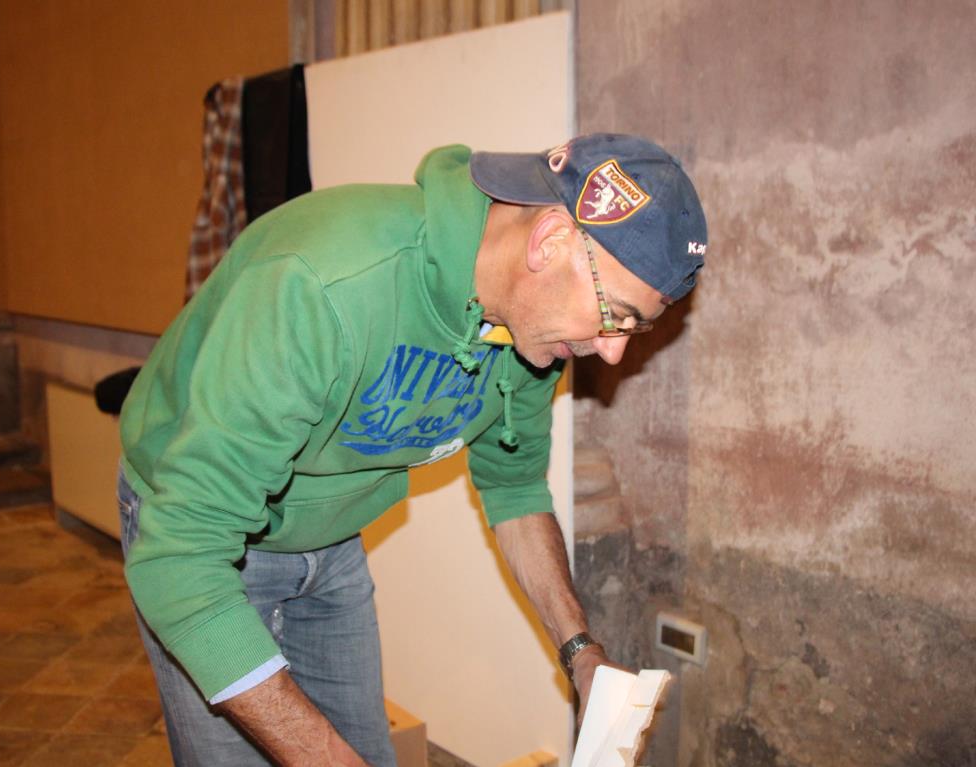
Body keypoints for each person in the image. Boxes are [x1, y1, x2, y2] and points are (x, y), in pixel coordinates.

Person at [116, 133, 707, 766]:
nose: (612, 351)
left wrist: (581, 653)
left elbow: (514, 487)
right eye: (615, 315)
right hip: (199, 533)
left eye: (636, 326)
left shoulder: (534, 331)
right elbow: (181, 558)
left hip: (330, 537)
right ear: (551, 241)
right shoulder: (322, 283)